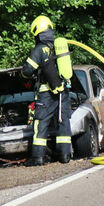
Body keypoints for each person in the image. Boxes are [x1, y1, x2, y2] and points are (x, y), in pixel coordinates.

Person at [21, 15, 73, 166]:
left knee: (41, 123)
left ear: (37, 32)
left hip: (46, 93)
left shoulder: (40, 49)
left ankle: (38, 157)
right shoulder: (58, 47)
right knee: (63, 122)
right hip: (64, 92)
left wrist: (23, 75)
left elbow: (28, 70)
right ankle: (64, 155)